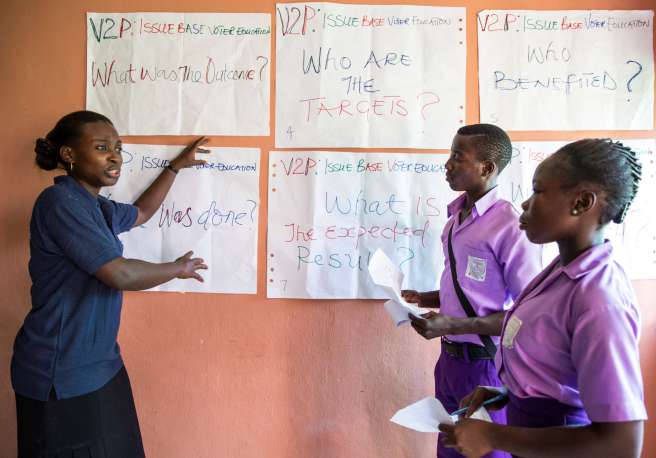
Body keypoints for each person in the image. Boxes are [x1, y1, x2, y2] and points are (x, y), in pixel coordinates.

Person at [12, 110, 209, 457]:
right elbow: (119, 273)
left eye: (117, 147)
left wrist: (176, 166)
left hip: (101, 364)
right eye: (102, 147)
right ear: (69, 155)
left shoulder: (95, 207)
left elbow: (142, 213)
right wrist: (176, 269)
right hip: (61, 374)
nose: (114, 155)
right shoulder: (60, 202)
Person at [440, 139, 646, 458]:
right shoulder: (560, 271)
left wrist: (496, 436)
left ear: (581, 203)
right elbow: (557, 372)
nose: (524, 204)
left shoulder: (598, 298)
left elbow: (620, 444)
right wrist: (507, 394)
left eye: (538, 191)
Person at [402, 124, 542, 458]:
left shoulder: (510, 224)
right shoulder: (455, 219)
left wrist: (451, 325)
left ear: (487, 168)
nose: (447, 164)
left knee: (486, 452)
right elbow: (469, 289)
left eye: (457, 157)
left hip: (487, 365)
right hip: (449, 362)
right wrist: (427, 298)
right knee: (450, 449)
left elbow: (528, 315)